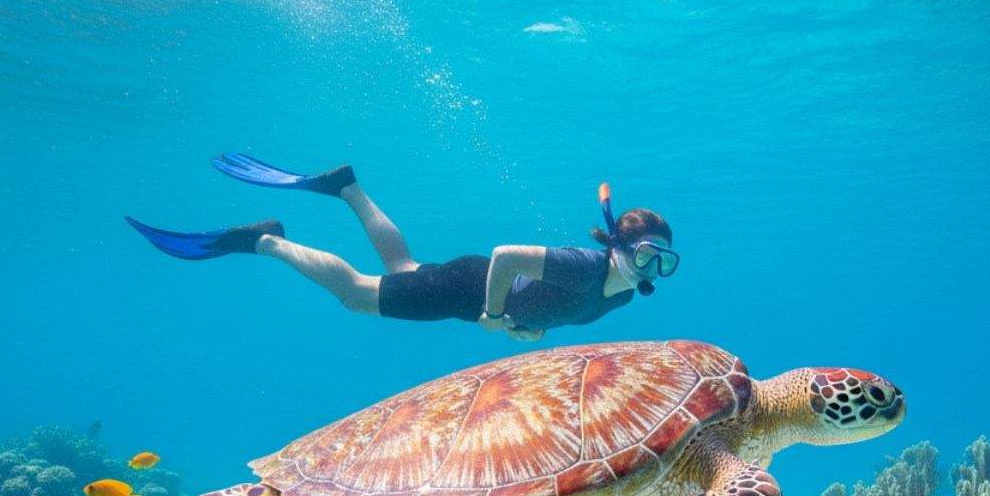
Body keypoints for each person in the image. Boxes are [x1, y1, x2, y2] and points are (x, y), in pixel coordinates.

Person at [126, 155, 677, 341]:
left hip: (469, 291)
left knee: (401, 265)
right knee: (356, 295)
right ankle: (265, 241)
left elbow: (561, 308)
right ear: (618, 246)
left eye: (663, 262)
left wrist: (535, 329)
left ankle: (346, 187)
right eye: (646, 254)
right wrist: (492, 314)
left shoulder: (623, 294)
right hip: (465, 288)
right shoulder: (585, 267)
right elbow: (506, 255)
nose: (651, 268)